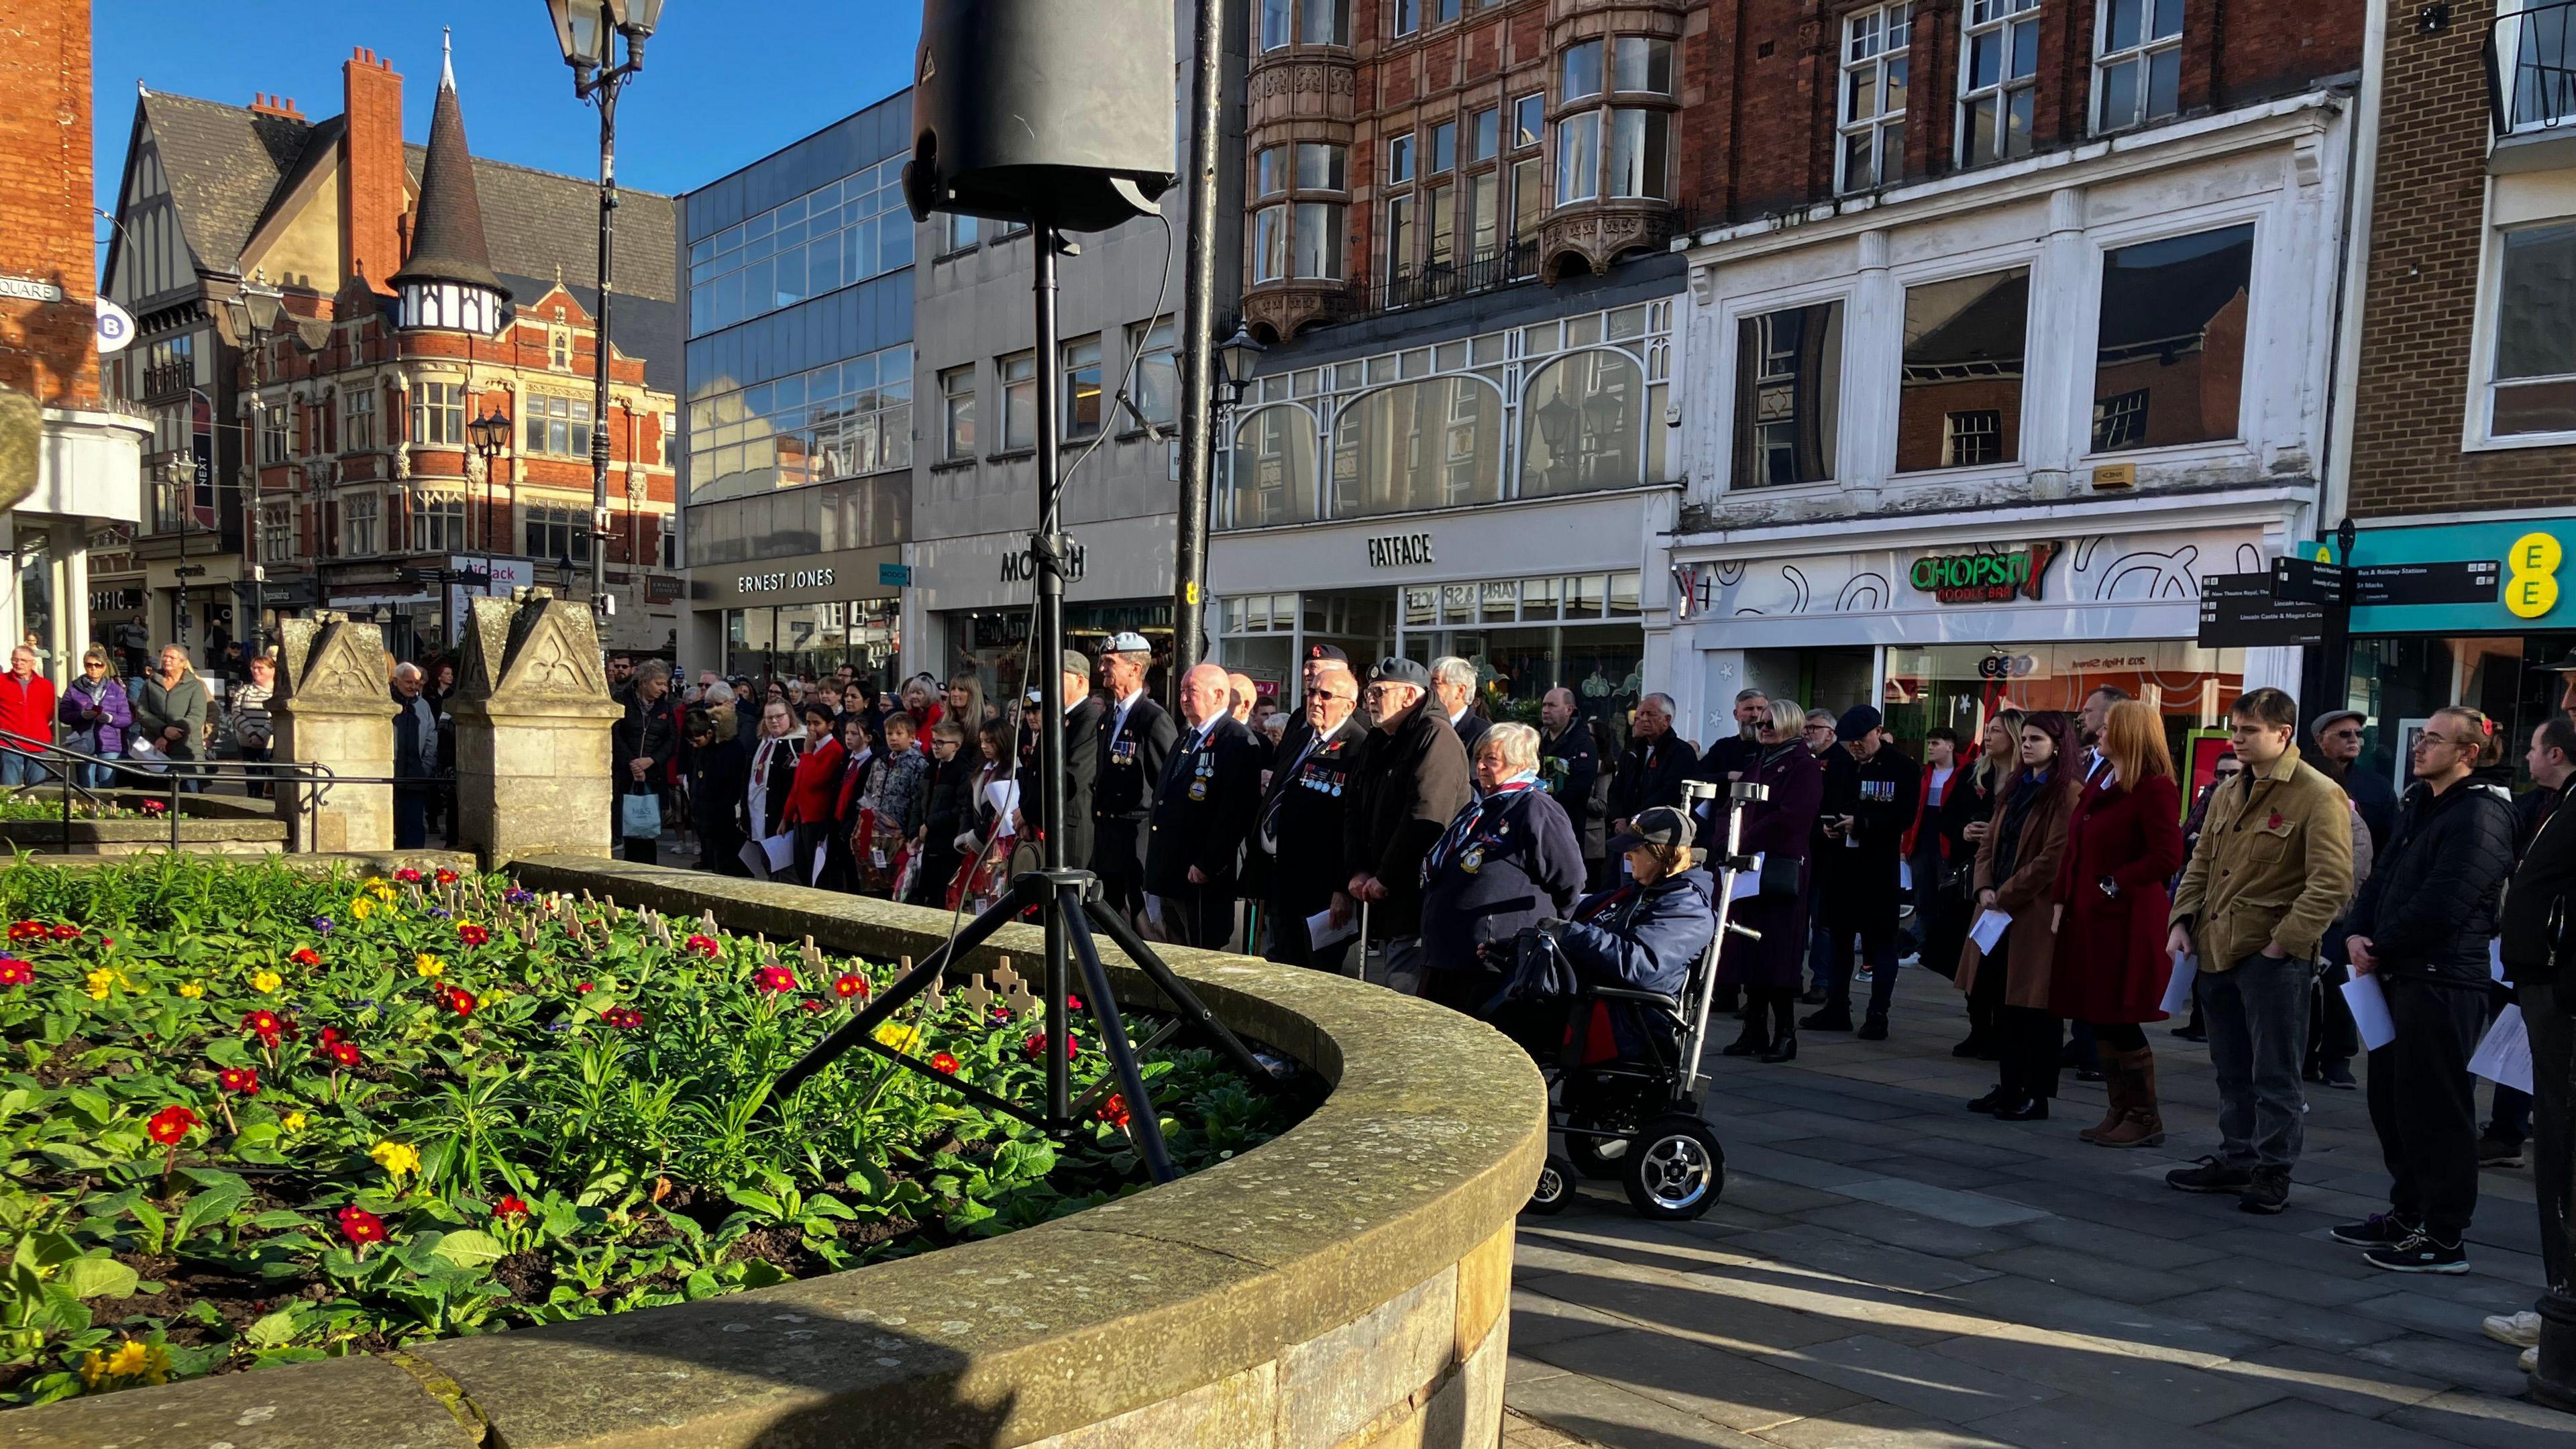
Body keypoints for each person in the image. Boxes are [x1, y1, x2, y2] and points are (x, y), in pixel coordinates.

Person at [2335, 705, 2518, 1273]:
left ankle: (2444, 1237)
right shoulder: (2421, 802)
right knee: (2392, 1103)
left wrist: (2381, 943)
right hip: (2397, 973)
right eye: (2421, 738)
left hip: (2443, 980)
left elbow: (2446, 900)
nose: (2420, 748)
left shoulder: (2482, 814)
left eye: (2435, 741)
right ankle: (2408, 1212)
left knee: (2437, 1110)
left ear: (2468, 753)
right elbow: (2384, 875)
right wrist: (2356, 931)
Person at [2165, 686, 2357, 1214]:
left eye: (2249, 731)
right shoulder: (2230, 790)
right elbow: (2200, 863)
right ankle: (2238, 1157)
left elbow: (2333, 883)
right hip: (2215, 948)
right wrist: (2182, 921)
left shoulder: (2318, 794)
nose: (2237, 740)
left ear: (2283, 733)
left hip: (2271, 957)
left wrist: (2283, 944)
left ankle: (2273, 1170)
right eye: (2235, 729)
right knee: (2230, 1065)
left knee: (2275, 1071)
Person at [2049, 700, 2186, 1148]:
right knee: (2100, 1014)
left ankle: (2145, 1117)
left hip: (2124, 919)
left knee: (2120, 1015)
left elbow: (2168, 856)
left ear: (2130, 733)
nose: (2098, 733)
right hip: (2089, 916)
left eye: (2109, 727)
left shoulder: (2153, 787)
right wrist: (2062, 899)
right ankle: (2120, 1108)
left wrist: (2114, 884)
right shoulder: (2102, 781)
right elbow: (2076, 847)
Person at [1485, 806, 1717, 1067]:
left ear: (1661, 854)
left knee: (1497, 1031)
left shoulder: (1686, 908)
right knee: (1487, 997)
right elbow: (1581, 922)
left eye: (1635, 850)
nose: (1627, 855)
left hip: (1623, 1020)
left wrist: (1568, 933)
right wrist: (1518, 945)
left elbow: (1640, 964)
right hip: (1591, 1000)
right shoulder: (1642, 890)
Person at [1954, 712, 2080, 1121]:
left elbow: (2054, 858)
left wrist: (2005, 894)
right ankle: (2008, 1084)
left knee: (2034, 1007)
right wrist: (1984, 886)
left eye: (2036, 739)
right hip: (1996, 908)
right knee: (1997, 998)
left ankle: (2034, 1093)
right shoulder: (2015, 786)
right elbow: (1989, 841)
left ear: (2058, 744)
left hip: (2033, 913)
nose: (2026, 746)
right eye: (2024, 738)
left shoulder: (2066, 793)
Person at [1419, 723, 1586, 1013]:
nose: (1480, 766)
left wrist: (1547, 929)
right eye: (1479, 758)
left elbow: (1570, 879)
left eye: (1491, 760)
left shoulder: (1535, 807)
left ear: (1521, 763)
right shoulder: (1483, 806)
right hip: (1449, 957)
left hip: (1491, 963)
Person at [1344, 657, 1474, 995]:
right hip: (1378, 897)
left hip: (1413, 900)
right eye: (1369, 691)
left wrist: (1386, 877)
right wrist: (1357, 869)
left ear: (1408, 696)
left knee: (1403, 995)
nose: (1369, 699)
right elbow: (1355, 808)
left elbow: (1425, 817)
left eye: (1379, 692)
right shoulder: (1379, 739)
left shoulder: (1435, 736)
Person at [1716, 698, 1828, 1063]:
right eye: (1761, 723)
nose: (1763, 728)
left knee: (1779, 952)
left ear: (1791, 725)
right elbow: (1731, 806)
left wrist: (1744, 838)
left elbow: (1793, 818)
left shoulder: (1803, 767)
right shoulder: (1758, 763)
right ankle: (1754, 1029)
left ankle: (1785, 1033)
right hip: (1749, 867)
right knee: (1749, 948)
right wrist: (1724, 839)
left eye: (1770, 723)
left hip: (1780, 866)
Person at [1806, 706, 1921, 1040]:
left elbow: (1904, 816)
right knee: (1839, 939)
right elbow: (1823, 805)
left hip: (1876, 868)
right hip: (1840, 866)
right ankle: (1837, 1007)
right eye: (1849, 743)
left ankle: (1877, 1014)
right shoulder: (1841, 767)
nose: (1854, 747)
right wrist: (1826, 827)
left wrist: (1864, 824)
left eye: (1860, 741)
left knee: (1881, 943)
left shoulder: (1902, 767)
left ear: (1878, 731)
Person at [2307, 708, 2398, 1093]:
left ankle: (2338, 1058)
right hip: (2309, 900)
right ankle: (2304, 1055)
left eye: (2359, 734)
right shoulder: (2305, 778)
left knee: (2344, 983)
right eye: (2343, 733)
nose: (2354, 740)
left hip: (2355, 903)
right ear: (2320, 739)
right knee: (2307, 983)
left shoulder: (2376, 787)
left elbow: (2391, 845)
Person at [1145, 663, 1265, 948]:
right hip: (1171, 871)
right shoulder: (1188, 737)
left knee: (1201, 951)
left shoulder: (1236, 740)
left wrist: (1208, 863)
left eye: (1192, 691)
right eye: (1182, 691)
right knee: (1173, 952)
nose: (1184, 698)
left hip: (1200, 878)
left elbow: (1235, 813)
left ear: (1219, 695)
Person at [1260, 653, 1367, 973]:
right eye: (1311, 693)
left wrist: (1341, 888)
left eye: (1326, 696)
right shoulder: (1302, 737)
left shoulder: (1358, 747)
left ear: (1348, 706)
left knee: (1316, 974)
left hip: (1321, 890)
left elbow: (1355, 825)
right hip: (1283, 878)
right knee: (1282, 967)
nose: (1316, 701)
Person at [1940, 712, 2024, 1059]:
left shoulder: (2027, 777)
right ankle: (1978, 1027)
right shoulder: (1976, 772)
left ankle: (2002, 1031)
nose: (1988, 737)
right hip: (1971, 877)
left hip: (2010, 877)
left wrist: (1997, 833)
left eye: (1996, 731)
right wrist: (1964, 830)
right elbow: (1946, 817)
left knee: (2004, 962)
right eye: (1987, 730)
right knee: (1972, 955)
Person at [1090, 632, 1175, 924]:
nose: (1102, 668)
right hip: (1108, 846)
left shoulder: (1153, 719)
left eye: (1110, 662)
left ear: (1135, 669)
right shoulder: (1108, 719)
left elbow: (1167, 786)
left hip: (1136, 847)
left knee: (1140, 931)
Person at [1022, 649, 1103, 875]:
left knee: (1070, 901)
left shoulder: (1089, 719)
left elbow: (1070, 777)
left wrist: (1028, 811)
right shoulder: (1057, 717)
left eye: (1057, 677)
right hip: (1046, 822)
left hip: (1070, 826)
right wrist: (1027, 811)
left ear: (1079, 680)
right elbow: (1035, 771)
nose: (1049, 684)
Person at [1801, 706, 1858, 1002]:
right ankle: (1790, 977)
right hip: (1801, 850)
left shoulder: (1842, 762)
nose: (1808, 731)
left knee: (1822, 921)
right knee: (1796, 918)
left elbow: (1842, 802)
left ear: (1831, 733)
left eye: (1814, 727)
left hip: (1828, 854)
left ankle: (1822, 980)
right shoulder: (1801, 759)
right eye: (1806, 727)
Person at [610, 661, 678, 864]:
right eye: (659, 684)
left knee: (648, 828)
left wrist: (651, 760)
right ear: (644, 681)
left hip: (653, 774)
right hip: (625, 774)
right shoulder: (622, 700)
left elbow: (671, 740)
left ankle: (651, 869)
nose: (663, 688)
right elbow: (615, 734)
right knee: (630, 827)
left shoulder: (665, 706)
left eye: (665, 684)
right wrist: (632, 763)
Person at [1607, 694, 1698, 839]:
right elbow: (1616, 788)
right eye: (1641, 714)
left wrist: (1633, 821)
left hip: (1659, 835)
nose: (1643, 719)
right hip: (1624, 832)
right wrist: (1619, 818)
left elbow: (1668, 794)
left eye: (1650, 714)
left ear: (1667, 720)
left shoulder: (1681, 753)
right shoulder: (1633, 751)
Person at [1538, 687, 1603, 884]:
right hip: (1537, 824)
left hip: (1567, 827)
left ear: (1569, 709)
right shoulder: (1537, 740)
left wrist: (1549, 802)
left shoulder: (1583, 745)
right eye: (1544, 705)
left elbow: (1579, 788)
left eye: (1552, 705)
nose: (1545, 710)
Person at [1905, 729, 1960, 955]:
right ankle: (1920, 942)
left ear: (1950, 746)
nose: (1930, 748)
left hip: (1947, 845)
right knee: (1923, 894)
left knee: (1946, 896)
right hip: (1922, 845)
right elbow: (1913, 814)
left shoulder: (1964, 774)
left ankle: (1941, 943)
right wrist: (1906, 845)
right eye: (1929, 743)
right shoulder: (1922, 774)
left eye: (1936, 743)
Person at [784, 700, 849, 887]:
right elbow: (797, 785)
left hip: (817, 817)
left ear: (830, 725)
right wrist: (786, 816)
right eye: (809, 723)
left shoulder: (834, 750)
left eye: (816, 724)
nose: (811, 728)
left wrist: (807, 754)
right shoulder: (814, 747)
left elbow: (813, 781)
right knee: (801, 867)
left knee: (815, 869)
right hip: (802, 817)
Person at [684, 704, 751, 877]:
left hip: (726, 817)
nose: (694, 746)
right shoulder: (703, 749)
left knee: (729, 865)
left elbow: (733, 784)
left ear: (709, 734)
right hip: (707, 815)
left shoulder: (730, 748)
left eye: (697, 741)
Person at [913, 718, 975, 905]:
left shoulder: (963, 771)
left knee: (941, 894)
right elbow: (920, 799)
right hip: (928, 841)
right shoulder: (931, 766)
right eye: (933, 741)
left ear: (956, 745)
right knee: (924, 892)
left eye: (941, 742)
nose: (935, 747)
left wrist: (930, 823)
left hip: (946, 844)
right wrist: (914, 830)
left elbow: (959, 809)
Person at [743, 698, 802, 873]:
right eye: (769, 718)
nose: (774, 721)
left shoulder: (799, 743)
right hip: (758, 814)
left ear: (790, 716)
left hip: (782, 820)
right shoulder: (762, 742)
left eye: (779, 716)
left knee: (785, 874)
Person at [58, 648, 130, 789]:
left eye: (98, 665)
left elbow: (127, 718)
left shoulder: (115, 689)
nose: (93, 668)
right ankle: (87, 810)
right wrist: (81, 715)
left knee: (107, 785)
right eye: (89, 665)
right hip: (83, 741)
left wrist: (110, 718)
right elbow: (63, 715)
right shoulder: (74, 687)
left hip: (109, 743)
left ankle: (107, 810)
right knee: (85, 786)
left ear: (104, 667)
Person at [388, 663, 439, 849]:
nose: (413, 687)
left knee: (414, 827)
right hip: (390, 774)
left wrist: (426, 766)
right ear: (396, 681)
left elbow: (431, 737)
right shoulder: (387, 703)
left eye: (417, 683)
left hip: (415, 775)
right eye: (409, 682)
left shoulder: (423, 705)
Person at [0, 646, 58, 786]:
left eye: (23, 660)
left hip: (37, 741)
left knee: (37, 789)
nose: (18, 663)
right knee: (9, 789)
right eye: (15, 660)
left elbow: (48, 713)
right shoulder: (2, 682)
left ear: (33, 663)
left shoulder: (46, 686)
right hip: (9, 742)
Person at [227, 653, 277, 798]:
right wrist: (252, 734)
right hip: (248, 742)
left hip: (270, 745)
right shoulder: (244, 690)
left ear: (272, 670)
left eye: (260, 668)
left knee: (274, 778)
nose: (256, 671)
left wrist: (261, 735)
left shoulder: (278, 693)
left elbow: (277, 717)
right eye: (253, 668)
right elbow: (236, 713)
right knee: (253, 779)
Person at [1431, 656, 1489, 757]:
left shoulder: (1483, 734)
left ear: (1460, 690)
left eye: (1435, 683)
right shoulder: (1422, 725)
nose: (1429, 689)